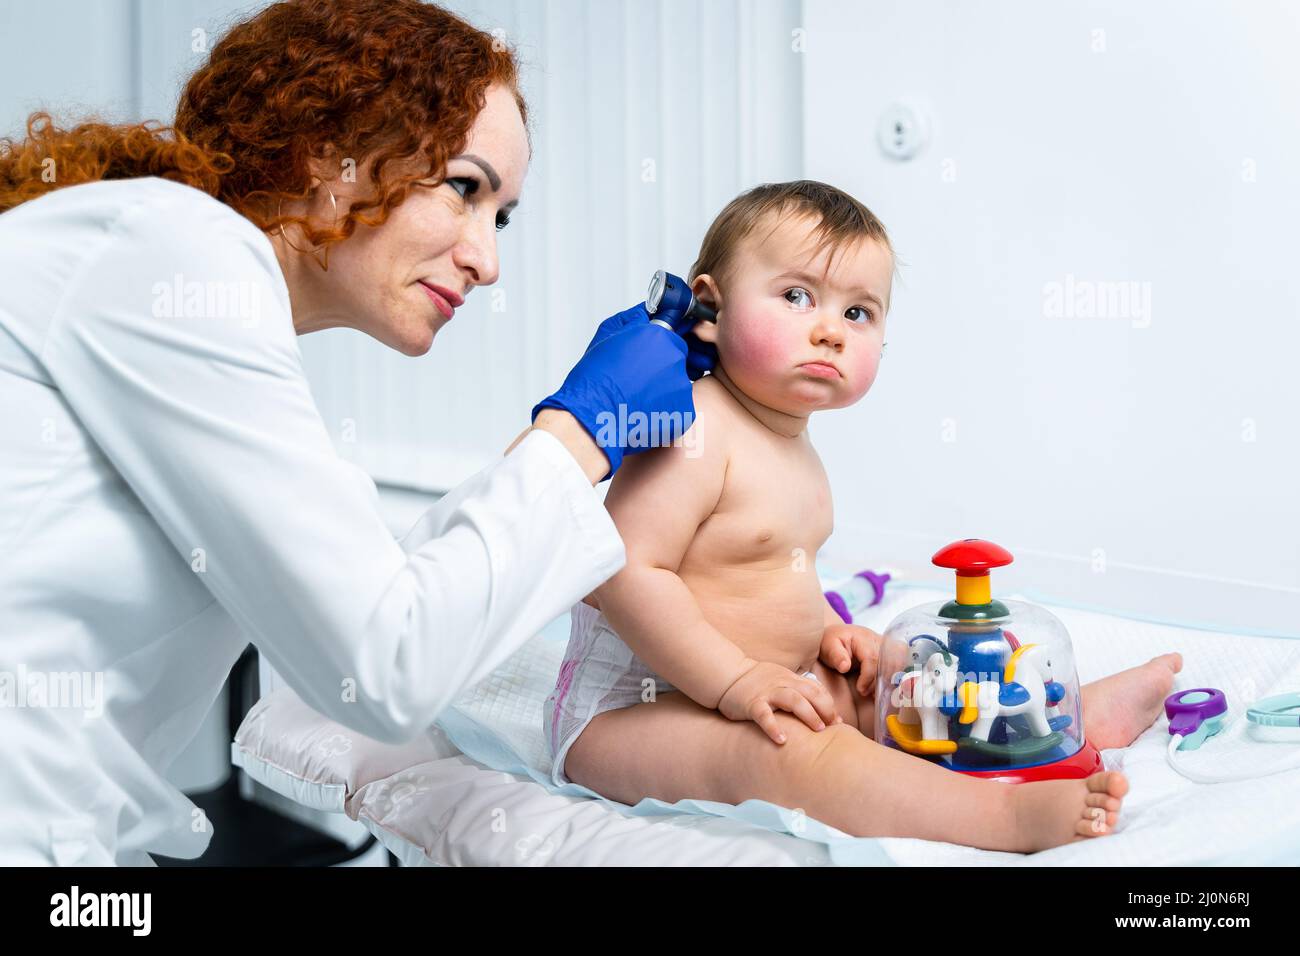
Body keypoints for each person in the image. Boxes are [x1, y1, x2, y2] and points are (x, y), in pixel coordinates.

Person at [0, 0, 710, 865]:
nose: (488, 262)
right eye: (464, 187)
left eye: (502, 217)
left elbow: (369, 598)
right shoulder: (169, 250)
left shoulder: (192, 291)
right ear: (325, 144)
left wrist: (571, 443)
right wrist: (583, 430)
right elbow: (384, 667)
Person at [545, 181, 1184, 852]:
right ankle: (1002, 819)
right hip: (633, 713)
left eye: (858, 312)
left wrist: (829, 633)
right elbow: (625, 571)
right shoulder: (693, 425)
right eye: (796, 296)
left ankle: (1051, 729)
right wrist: (736, 681)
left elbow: (761, 575)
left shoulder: (795, 447)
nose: (829, 330)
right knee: (788, 750)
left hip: (763, 683)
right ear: (707, 308)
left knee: (906, 693)